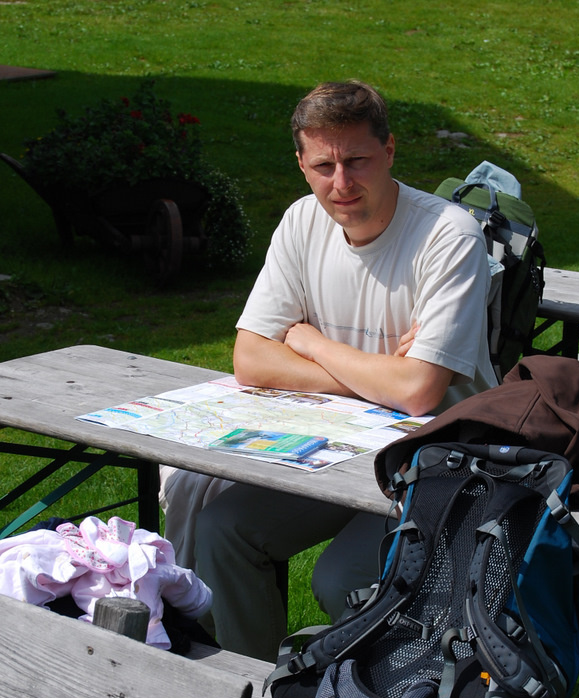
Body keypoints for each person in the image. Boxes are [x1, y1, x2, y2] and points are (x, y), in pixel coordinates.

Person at [160, 79, 497, 661]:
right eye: (324, 165)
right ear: (301, 164)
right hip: (339, 445)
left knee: (339, 579)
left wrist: (310, 341)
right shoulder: (301, 223)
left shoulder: (448, 235)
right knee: (221, 531)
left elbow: (419, 395)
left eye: (357, 161)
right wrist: (380, 375)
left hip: (440, 458)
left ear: (389, 151)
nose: (340, 183)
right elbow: (251, 359)